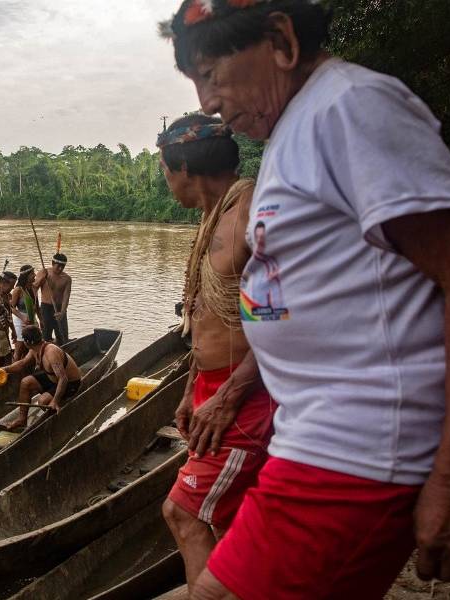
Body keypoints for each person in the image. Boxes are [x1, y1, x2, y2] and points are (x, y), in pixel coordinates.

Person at [165, 1, 450, 598]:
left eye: (212, 74)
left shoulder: (349, 107)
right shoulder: (295, 129)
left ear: (282, 42)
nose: (208, 101)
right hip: (314, 441)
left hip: (359, 453)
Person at [154, 114, 275, 588]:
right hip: (213, 387)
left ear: (184, 168)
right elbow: (208, 319)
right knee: (225, 518)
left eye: (165, 172)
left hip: (246, 395)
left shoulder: (250, 216)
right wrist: (191, 391)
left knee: (182, 514)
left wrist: (226, 398)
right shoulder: (212, 219)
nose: (167, 184)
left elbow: (279, 326)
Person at [3, 325, 82, 430]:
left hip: (70, 383)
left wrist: (55, 400)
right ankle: (22, 419)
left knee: (42, 401)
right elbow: (22, 364)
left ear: (28, 342)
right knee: (26, 382)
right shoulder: (34, 349)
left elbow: (63, 379)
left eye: (23, 339)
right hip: (52, 378)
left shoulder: (51, 352)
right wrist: (3, 370)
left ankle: (59, 421)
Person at [33, 253, 71, 344]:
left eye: (63, 267)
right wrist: (42, 278)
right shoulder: (44, 272)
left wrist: (62, 312)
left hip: (59, 308)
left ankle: (63, 352)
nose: (60, 269)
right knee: (45, 335)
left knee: (62, 335)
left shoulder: (67, 278)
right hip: (46, 307)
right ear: (53, 263)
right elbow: (34, 288)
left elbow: (66, 297)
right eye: (58, 266)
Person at [9, 265, 40, 361]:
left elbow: (36, 307)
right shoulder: (18, 290)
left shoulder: (33, 288)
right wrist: (22, 317)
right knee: (19, 349)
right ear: (26, 276)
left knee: (31, 348)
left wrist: (41, 319)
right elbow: (11, 308)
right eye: (32, 274)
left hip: (32, 320)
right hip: (20, 321)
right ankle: (15, 370)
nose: (34, 275)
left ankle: (27, 368)